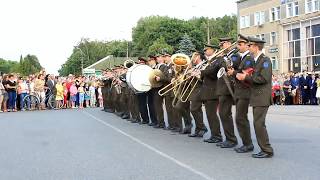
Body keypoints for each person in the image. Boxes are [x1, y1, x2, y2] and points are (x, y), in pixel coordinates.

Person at [236, 36, 274, 158]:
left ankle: (267, 150)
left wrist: (245, 77)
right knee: (258, 124)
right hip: (257, 96)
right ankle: (264, 149)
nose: (248, 47)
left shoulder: (265, 60)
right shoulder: (257, 60)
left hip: (262, 97)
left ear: (256, 47)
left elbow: (264, 78)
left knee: (259, 124)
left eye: (250, 45)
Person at [227, 34, 254, 152]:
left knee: (241, 118)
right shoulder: (242, 57)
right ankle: (246, 143)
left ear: (247, 45)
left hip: (244, 92)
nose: (238, 46)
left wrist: (233, 72)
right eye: (238, 44)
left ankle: (248, 144)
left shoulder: (249, 58)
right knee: (240, 118)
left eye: (240, 44)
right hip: (239, 91)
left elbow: (244, 73)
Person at [216, 37, 238, 148]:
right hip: (222, 88)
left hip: (228, 88)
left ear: (229, 44)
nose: (221, 47)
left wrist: (221, 59)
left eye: (223, 44)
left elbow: (229, 67)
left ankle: (231, 139)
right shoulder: (224, 56)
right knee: (222, 114)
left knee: (225, 114)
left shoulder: (234, 55)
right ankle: (228, 138)